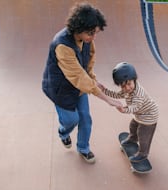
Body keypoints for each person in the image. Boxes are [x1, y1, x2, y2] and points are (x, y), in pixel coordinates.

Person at [42, 2, 122, 164]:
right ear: (77, 28)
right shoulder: (62, 45)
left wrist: (93, 79)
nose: (93, 38)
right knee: (72, 120)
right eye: (91, 33)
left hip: (80, 86)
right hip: (61, 89)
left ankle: (83, 147)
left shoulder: (87, 40)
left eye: (96, 33)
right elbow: (78, 76)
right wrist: (108, 100)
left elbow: (87, 64)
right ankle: (63, 132)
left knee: (85, 118)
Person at [98, 62, 159, 162]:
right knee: (133, 126)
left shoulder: (138, 94)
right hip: (140, 114)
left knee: (143, 135)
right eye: (123, 86)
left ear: (134, 80)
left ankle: (143, 153)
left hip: (149, 116)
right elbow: (116, 95)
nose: (127, 88)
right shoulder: (127, 89)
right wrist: (104, 90)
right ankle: (133, 139)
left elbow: (134, 108)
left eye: (129, 84)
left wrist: (123, 110)